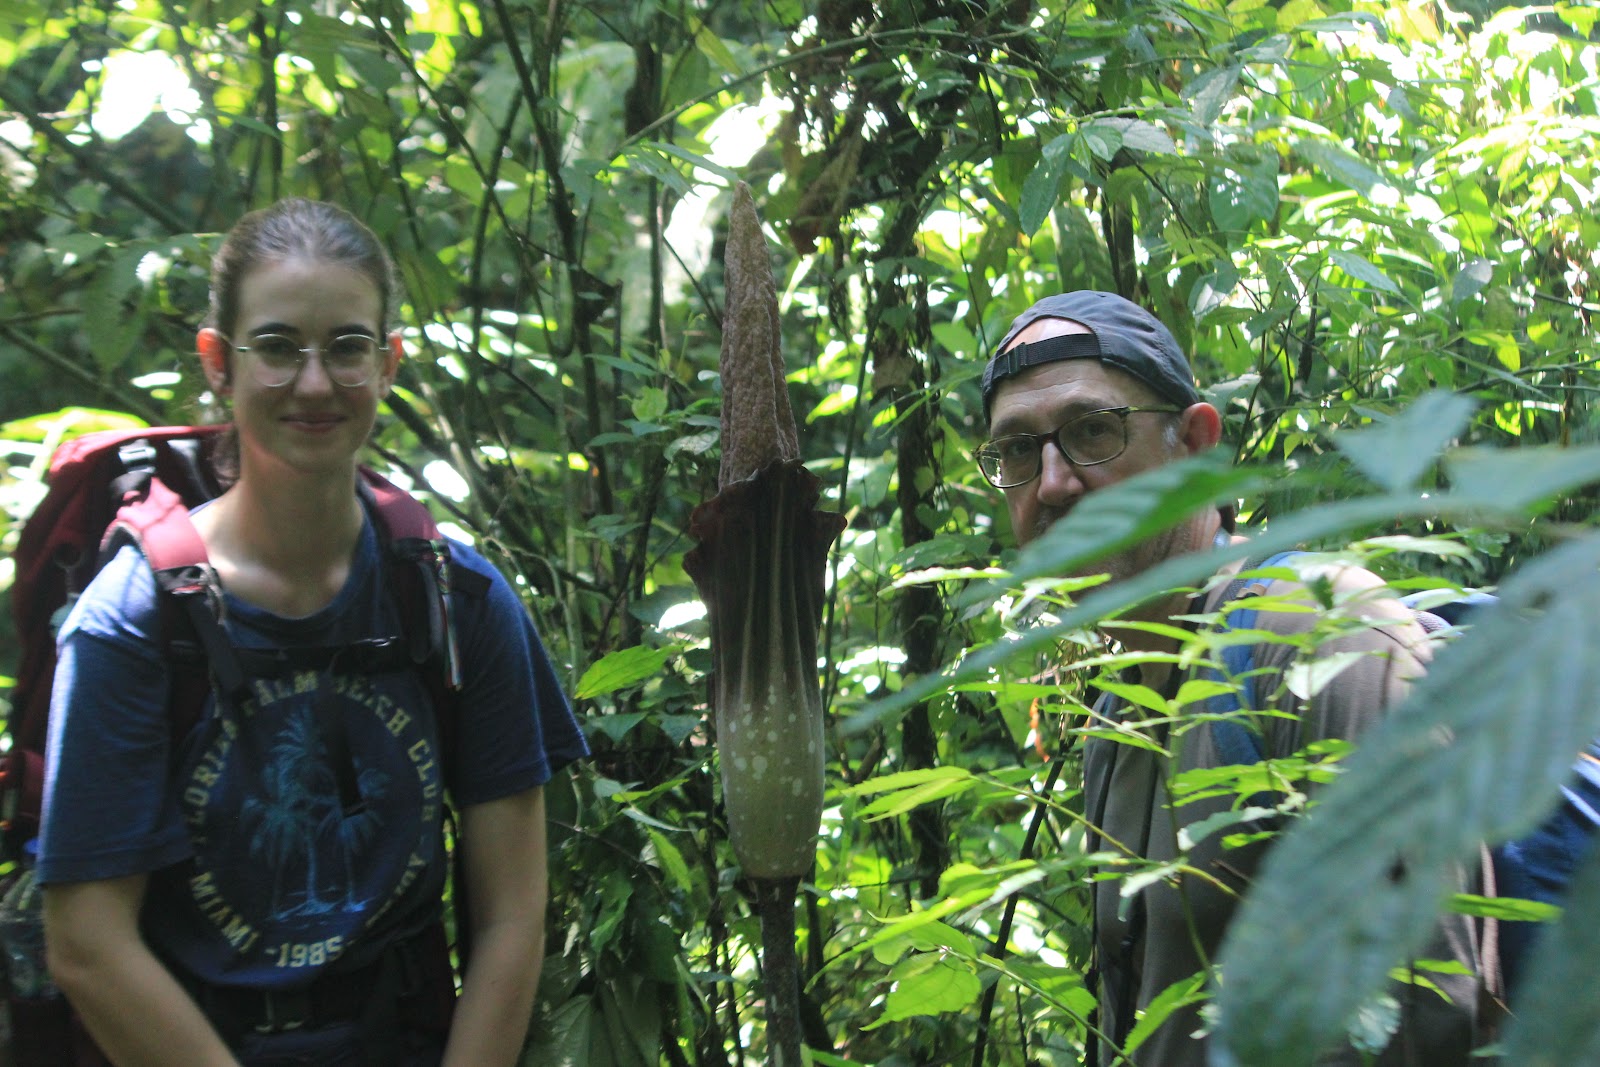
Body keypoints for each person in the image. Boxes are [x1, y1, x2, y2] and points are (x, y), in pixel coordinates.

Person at [37, 198, 588, 1067]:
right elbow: (87, 944)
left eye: (346, 346)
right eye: (279, 346)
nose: (316, 383)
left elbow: (514, 914)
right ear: (219, 363)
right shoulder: (132, 623)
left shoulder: (458, 600)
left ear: (389, 362)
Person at [977, 291, 1488, 1065]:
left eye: (1091, 431)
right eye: (1017, 450)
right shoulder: (1116, 709)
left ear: (1196, 443)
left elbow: (1431, 1006)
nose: (1051, 484)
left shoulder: (1318, 634)